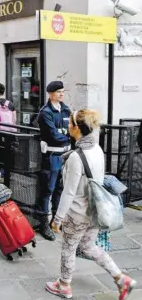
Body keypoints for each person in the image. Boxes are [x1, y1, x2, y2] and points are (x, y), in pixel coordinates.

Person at [46, 109, 137, 300]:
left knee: (68, 249)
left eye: (70, 123)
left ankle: (64, 285)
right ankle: (121, 279)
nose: (67, 126)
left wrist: (57, 219)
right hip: (94, 211)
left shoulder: (75, 157)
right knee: (88, 246)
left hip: (77, 213)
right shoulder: (97, 149)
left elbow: (69, 192)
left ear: (77, 128)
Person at [36, 81, 72, 241]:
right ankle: (43, 223)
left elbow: (72, 128)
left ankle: (55, 221)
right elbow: (52, 135)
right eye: (58, 92)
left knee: (60, 189)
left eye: (62, 91)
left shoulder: (65, 109)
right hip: (51, 156)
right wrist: (67, 137)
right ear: (50, 94)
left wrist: (66, 136)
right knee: (47, 190)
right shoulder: (45, 112)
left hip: (66, 156)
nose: (61, 94)